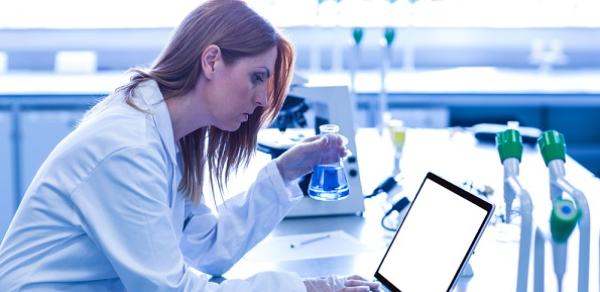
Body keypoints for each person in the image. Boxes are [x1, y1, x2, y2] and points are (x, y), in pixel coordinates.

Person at [0, 1, 380, 291]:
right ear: (212, 61)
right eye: (257, 77)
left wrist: (286, 171)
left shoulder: (167, 134)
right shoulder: (129, 149)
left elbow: (206, 248)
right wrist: (302, 288)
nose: (264, 99)